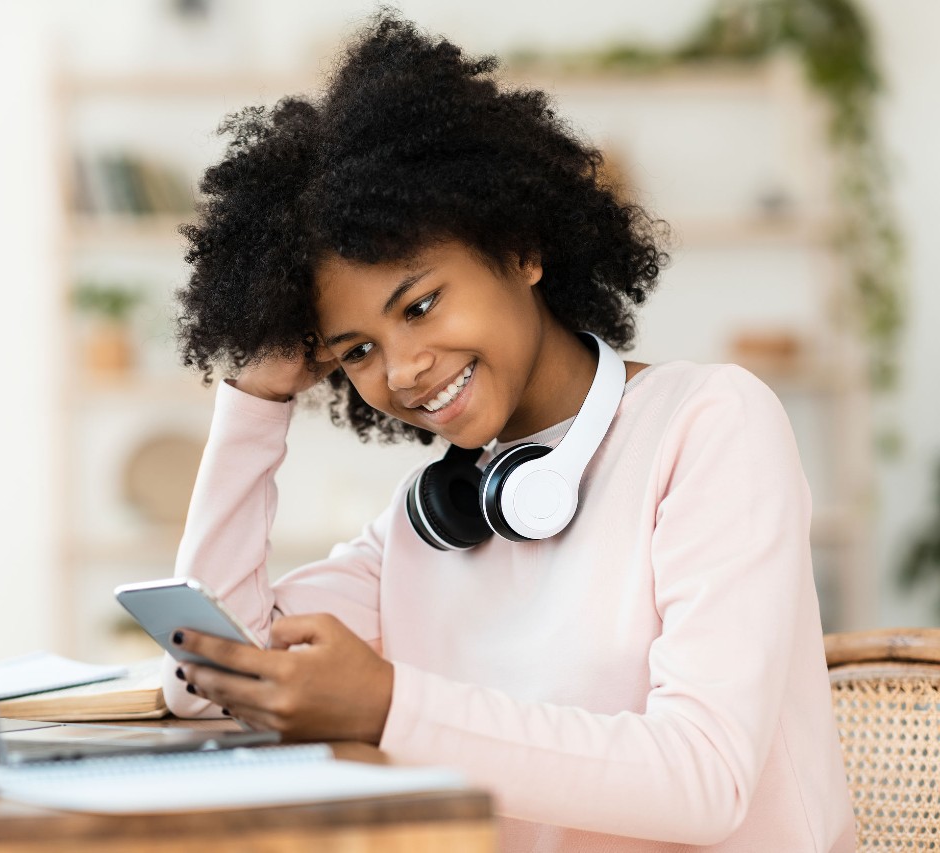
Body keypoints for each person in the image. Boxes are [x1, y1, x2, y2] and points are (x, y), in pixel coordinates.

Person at [159, 13, 855, 851]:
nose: (406, 367)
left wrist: (390, 704)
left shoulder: (709, 426)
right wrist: (257, 397)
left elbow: (704, 779)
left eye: (421, 305)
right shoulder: (433, 520)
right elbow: (208, 674)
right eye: (358, 351)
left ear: (521, 249)